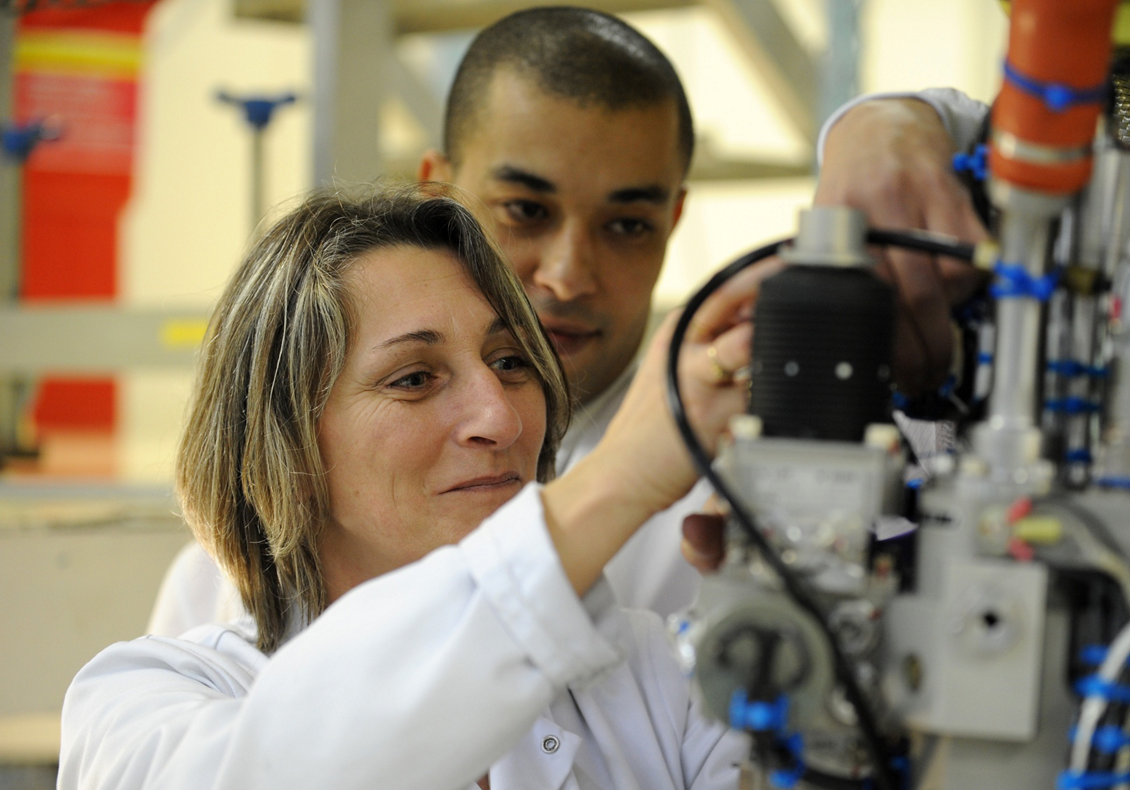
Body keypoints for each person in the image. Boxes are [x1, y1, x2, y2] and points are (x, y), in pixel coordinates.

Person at [58, 186, 755, 790]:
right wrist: (619, 478)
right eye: (414, 378)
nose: (501, 416)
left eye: (510, 361)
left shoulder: (660, 678)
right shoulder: (141, 708)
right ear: (286, 443)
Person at [149, 6, 771, 631]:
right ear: (437, 198)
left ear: (674, 221)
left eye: (628, 225)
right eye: (525, 210)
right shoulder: (221, 584)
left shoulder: (734, 509)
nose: (568, 275)